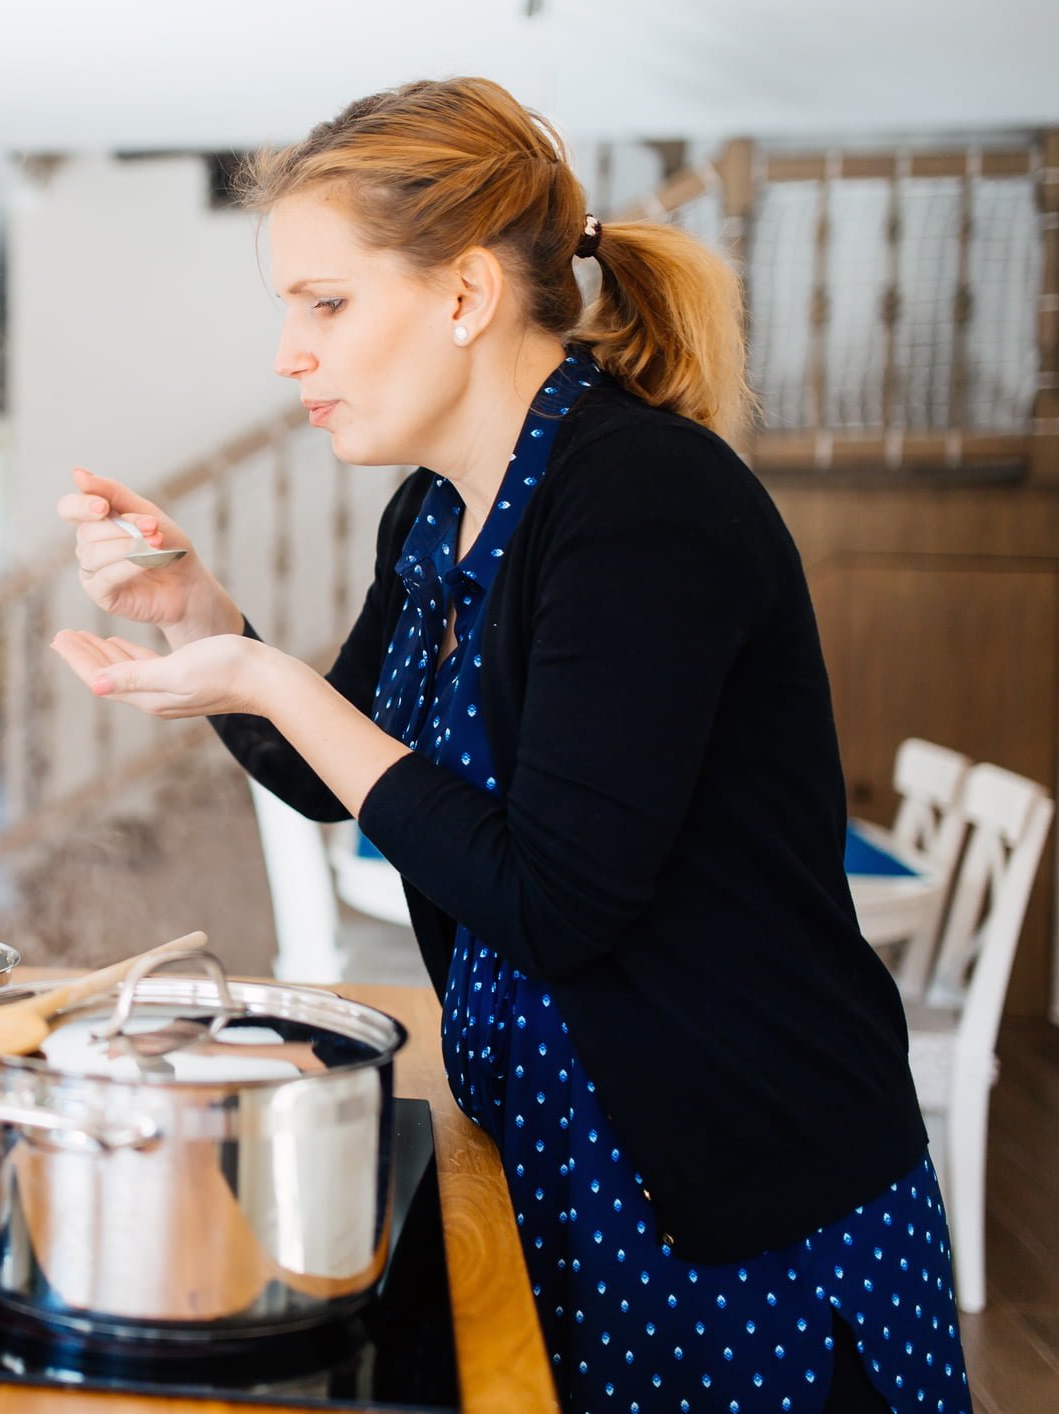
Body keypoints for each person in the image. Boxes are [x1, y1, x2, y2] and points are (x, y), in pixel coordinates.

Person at [50, 77, 967, 1414]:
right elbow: (333, 769)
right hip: (567, 1148)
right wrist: (201, 615)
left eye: (325, 302)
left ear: (466, 295)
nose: (286, 352)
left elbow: (557, 897)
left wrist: (264, 677)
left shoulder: (639, 502)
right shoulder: (434, 516)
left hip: (743, 1180)